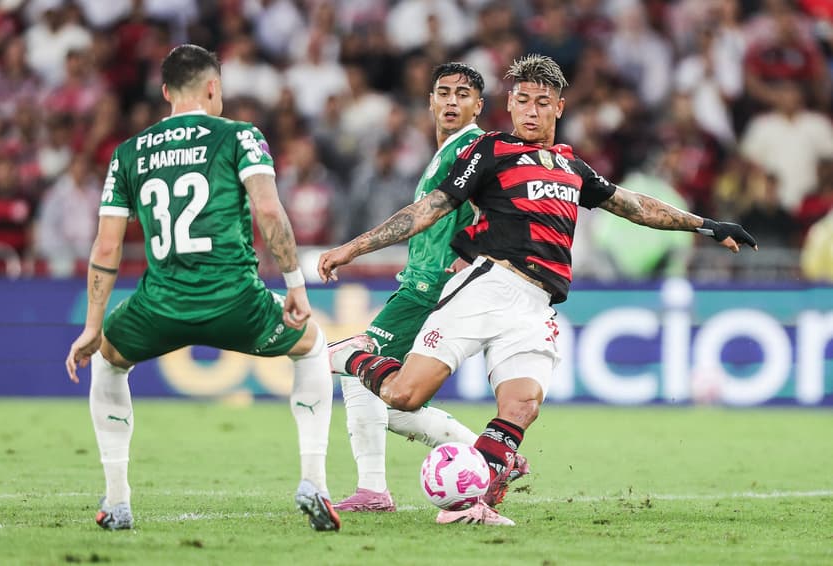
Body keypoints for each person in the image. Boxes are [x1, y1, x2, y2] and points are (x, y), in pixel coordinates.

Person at [319, 54, 758, 526]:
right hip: (486, 286)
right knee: (404, 396)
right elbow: (428, 209)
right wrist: (354, 248)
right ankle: (352, 355)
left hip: (535, 305)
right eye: (523, 100)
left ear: (559, 108)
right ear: (509, 104)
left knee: (522, 407)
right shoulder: (488, 152)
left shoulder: (571, 165)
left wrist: (706, 225)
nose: (531, 110)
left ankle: (473, 504)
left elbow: (633, 205)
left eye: (542, 102)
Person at [65, 44, 340, 533]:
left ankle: (116, 500)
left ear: (167, 91)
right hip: (236, 300)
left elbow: (106, 249)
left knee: (107, 359)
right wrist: (295, 283)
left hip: (159, 306)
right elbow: (270, 212)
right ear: (213, 88)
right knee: (313, 346)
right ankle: (314, 483)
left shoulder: (128, 153)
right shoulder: (239, 136)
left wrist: (92, 326)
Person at [333, 62, 528, 514]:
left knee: (354, 366)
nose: (451, 101)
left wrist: (474, 254)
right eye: (443, 93)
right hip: (422, 286)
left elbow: (501, 206)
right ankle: (495, 460)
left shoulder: (475, 149)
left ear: (479, 105)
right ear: (431, 101)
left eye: (463, 94)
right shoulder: (445, 152)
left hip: (431, 289)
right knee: (395, 400)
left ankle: (373, 491)